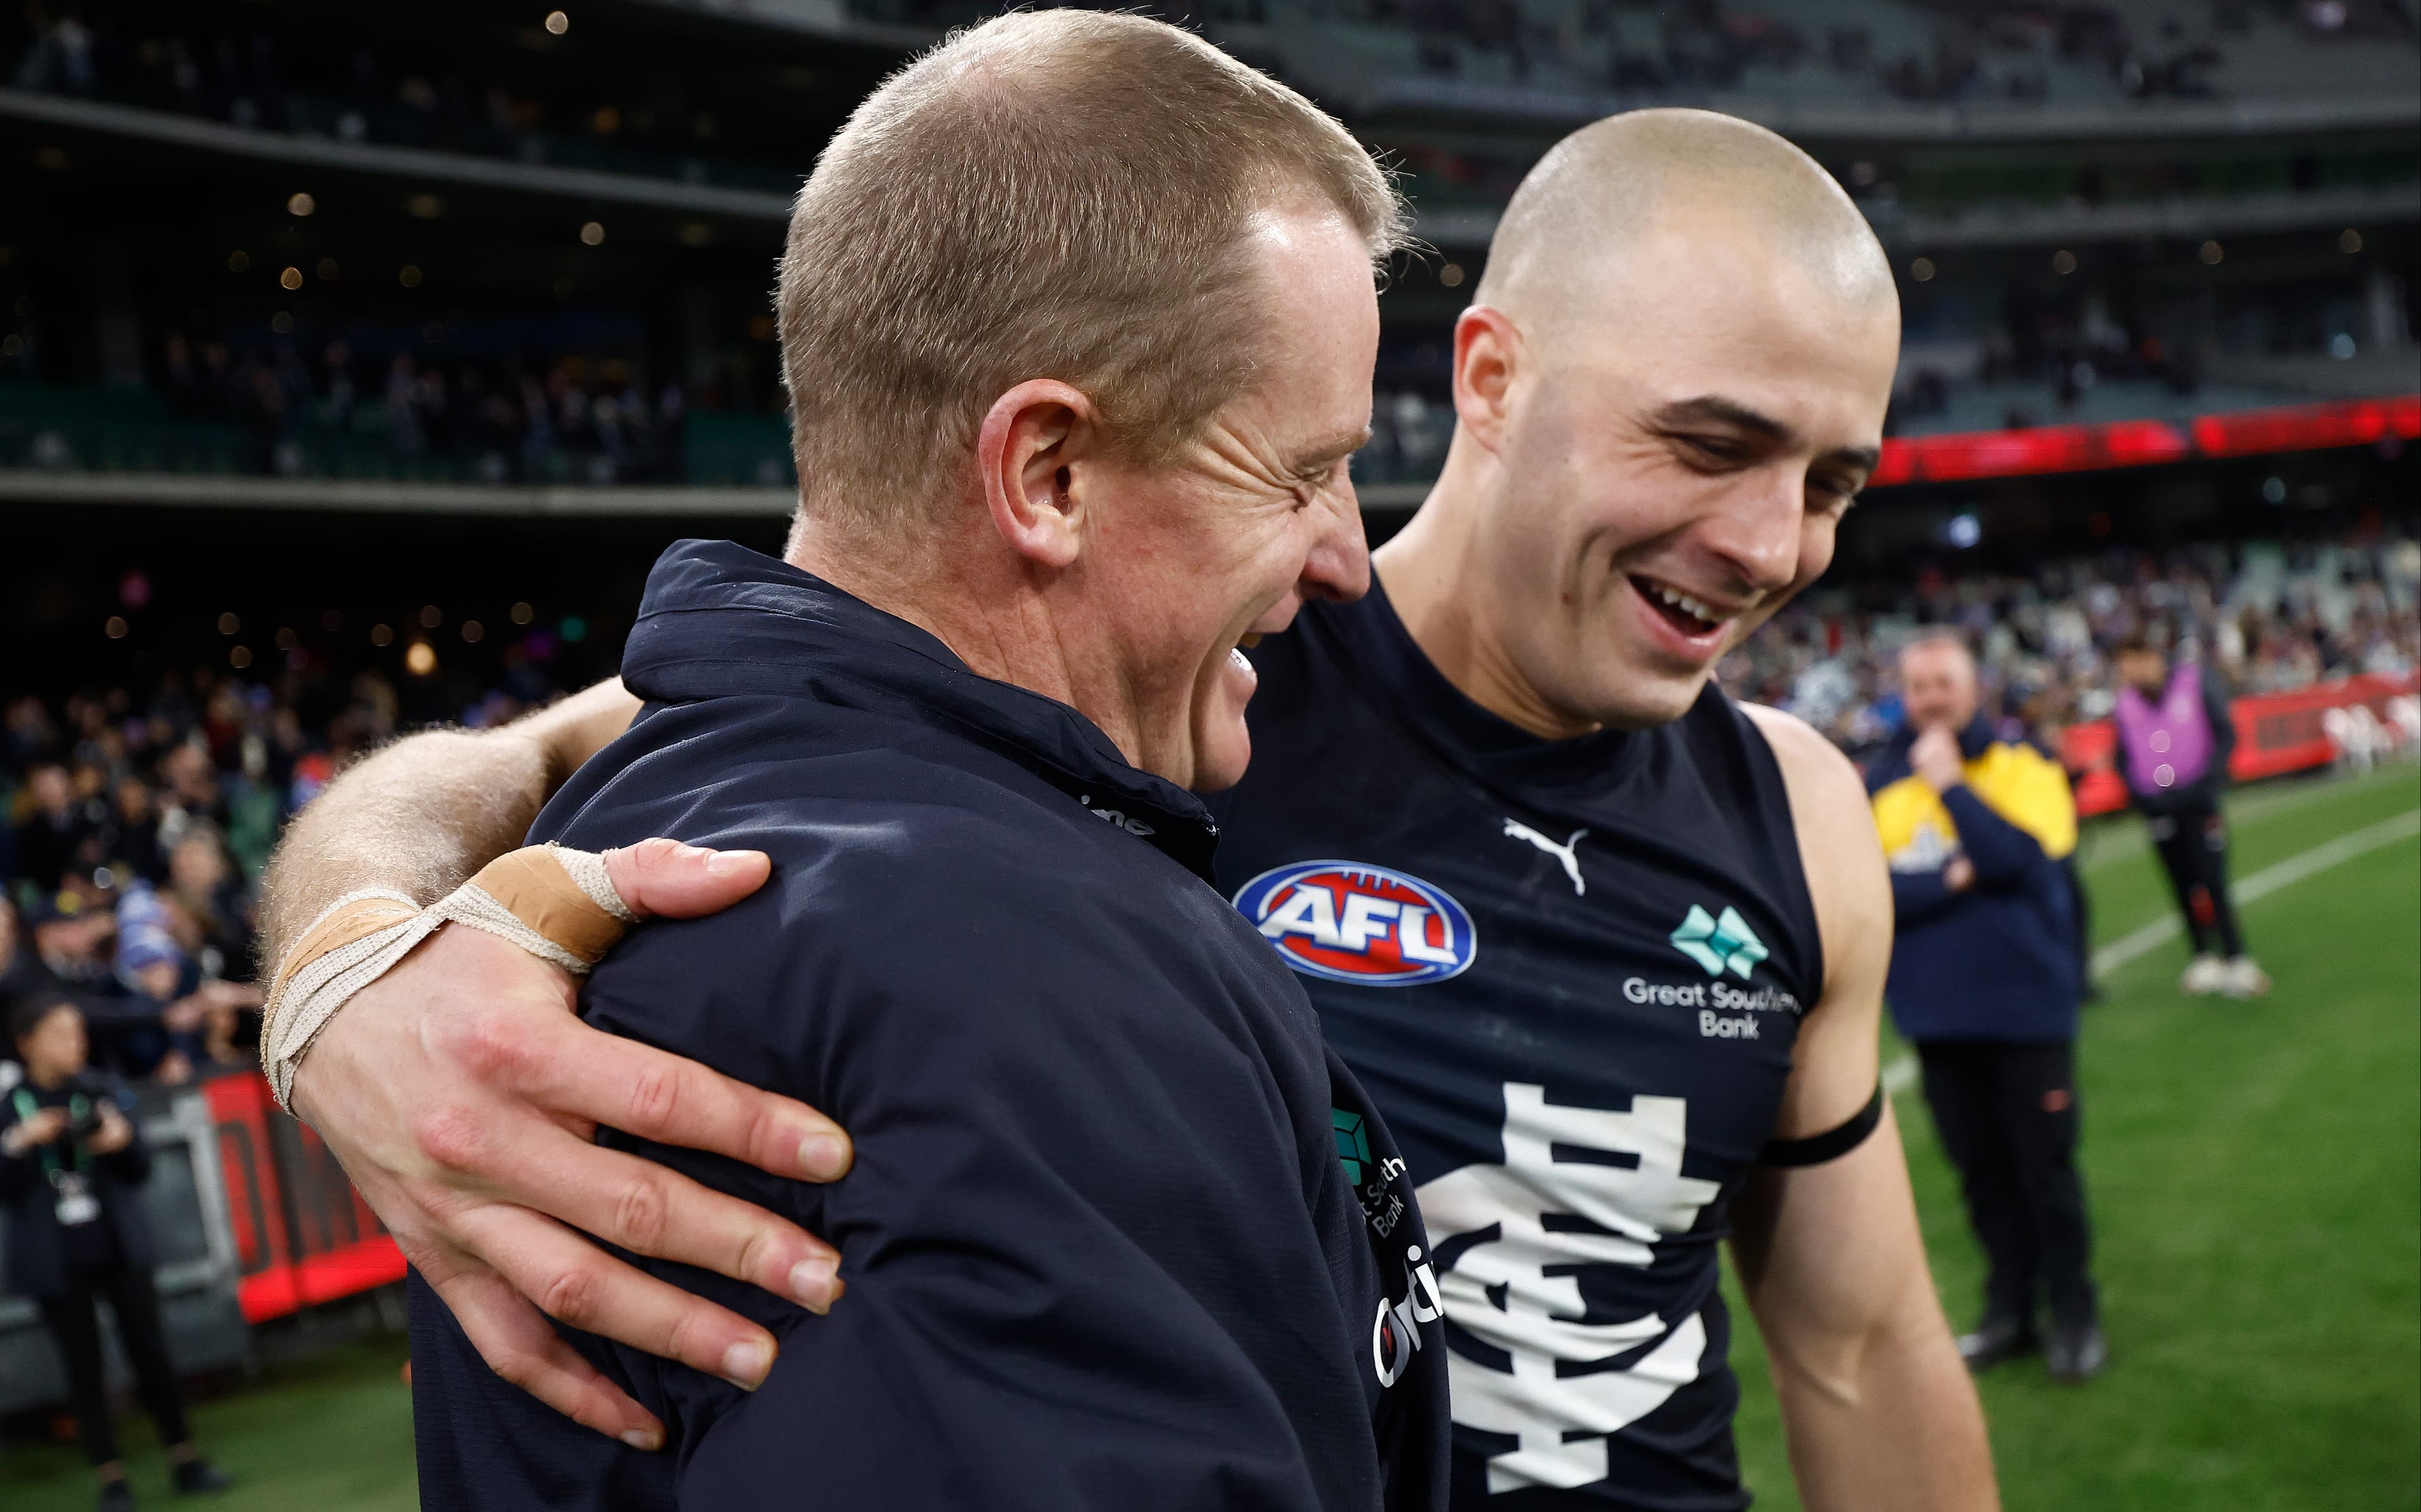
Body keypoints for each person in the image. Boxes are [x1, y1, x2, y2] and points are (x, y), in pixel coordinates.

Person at [259, 107, 1994, 1510]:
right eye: (1707, 445)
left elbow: (1857, 1346)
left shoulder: (1794, 811)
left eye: (1834, 483)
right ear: (1487, 376)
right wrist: (341, 963)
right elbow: (508, 769)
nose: (1776, 545)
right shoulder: (1167, 689)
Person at [268, 14, 1450, 1508]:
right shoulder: (1014, 965)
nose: (1348, 553)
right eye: (1299, 470)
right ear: (1049, 473)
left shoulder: (664, 799)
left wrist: (339, 933)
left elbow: (544, 738)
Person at [1869, 633, 2105, 1383]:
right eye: (1917, 684)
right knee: (1980, 1177)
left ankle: (2074, 1312)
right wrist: (1954, 881)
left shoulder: (2023, 766)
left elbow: (2022, 862)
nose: (1930, 697)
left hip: (2027, 1013)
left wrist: (1954, 791)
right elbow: (1873, 893)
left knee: (2047, 1171)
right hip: (1937, 1020)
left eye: (1943, 681)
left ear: (1975, 687)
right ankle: (2009, 1311)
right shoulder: (1882, 781)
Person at [1, 995, 231, 1509]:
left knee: (152, 1353)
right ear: (27, 1042)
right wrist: (19, 1141)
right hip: (56, 1260)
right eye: (60, 1032)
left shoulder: (100, 1089)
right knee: (83, 1369)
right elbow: (7, 1186)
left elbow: (140, 1166)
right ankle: (112, 1479)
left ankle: (185, 1459)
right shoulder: (10, 1104)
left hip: (117, 1244)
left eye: (78, 1030)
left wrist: (121, 1141)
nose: (75, 1042)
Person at [2111, 634, 2268, 998]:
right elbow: (2123, 758)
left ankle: (2236, 957)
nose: (2127, 672)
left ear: (2150, 657)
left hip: (2199, 804)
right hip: (2161, 810)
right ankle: (2203, 956)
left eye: (2131, 661)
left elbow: (2224, 734)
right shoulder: (2126, 704)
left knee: (2213, 879)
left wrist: (2208, 783)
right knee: (2181, 884)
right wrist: (2140, 794)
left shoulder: (2192, 683)